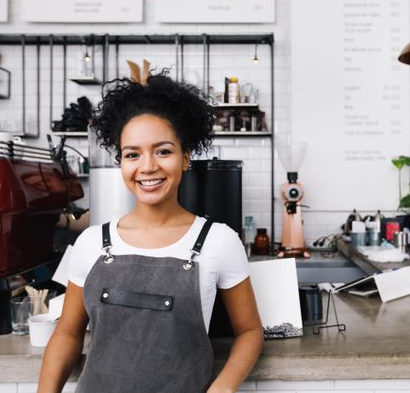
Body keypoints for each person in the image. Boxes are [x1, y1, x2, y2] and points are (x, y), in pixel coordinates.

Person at [37, 73, 263, 393]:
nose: (147, 167)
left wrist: (222, 388)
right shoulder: (91, 242)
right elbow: (68, 333)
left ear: (185, 158)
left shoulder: (218, 241)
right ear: (121, 164)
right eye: (132, 154)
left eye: (163, 151)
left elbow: (250, 331)